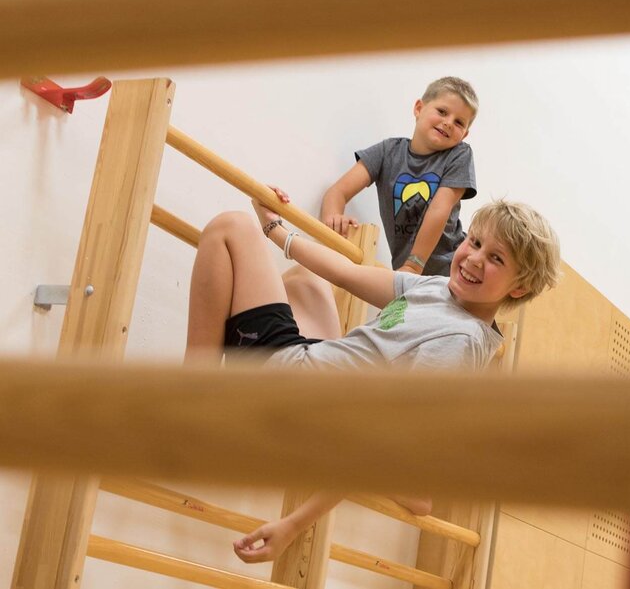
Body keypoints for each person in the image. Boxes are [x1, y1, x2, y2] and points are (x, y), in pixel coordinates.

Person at [183, 187, 561, 563]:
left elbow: (378, 445)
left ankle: (189, 401)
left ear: (519, 286)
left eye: (495, 258)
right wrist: (274, 226)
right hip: (316, 372)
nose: (474, 259)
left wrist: (293, 526)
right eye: (475, 242)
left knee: (229, 227)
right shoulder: (441, 291)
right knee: (307, 281)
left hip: (288, 390)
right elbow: (347, 274)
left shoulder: (458, 342)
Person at [319, 76, 479, 276]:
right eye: (442, 111)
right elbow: (337, 192)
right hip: (407, 272)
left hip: (451, 269)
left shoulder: (459, 154)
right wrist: (332, 222)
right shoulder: (387, 152)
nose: (448, 123)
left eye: (459, 122)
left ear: (464, 135)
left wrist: (414, 264)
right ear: (419, 108)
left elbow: (440, 208)